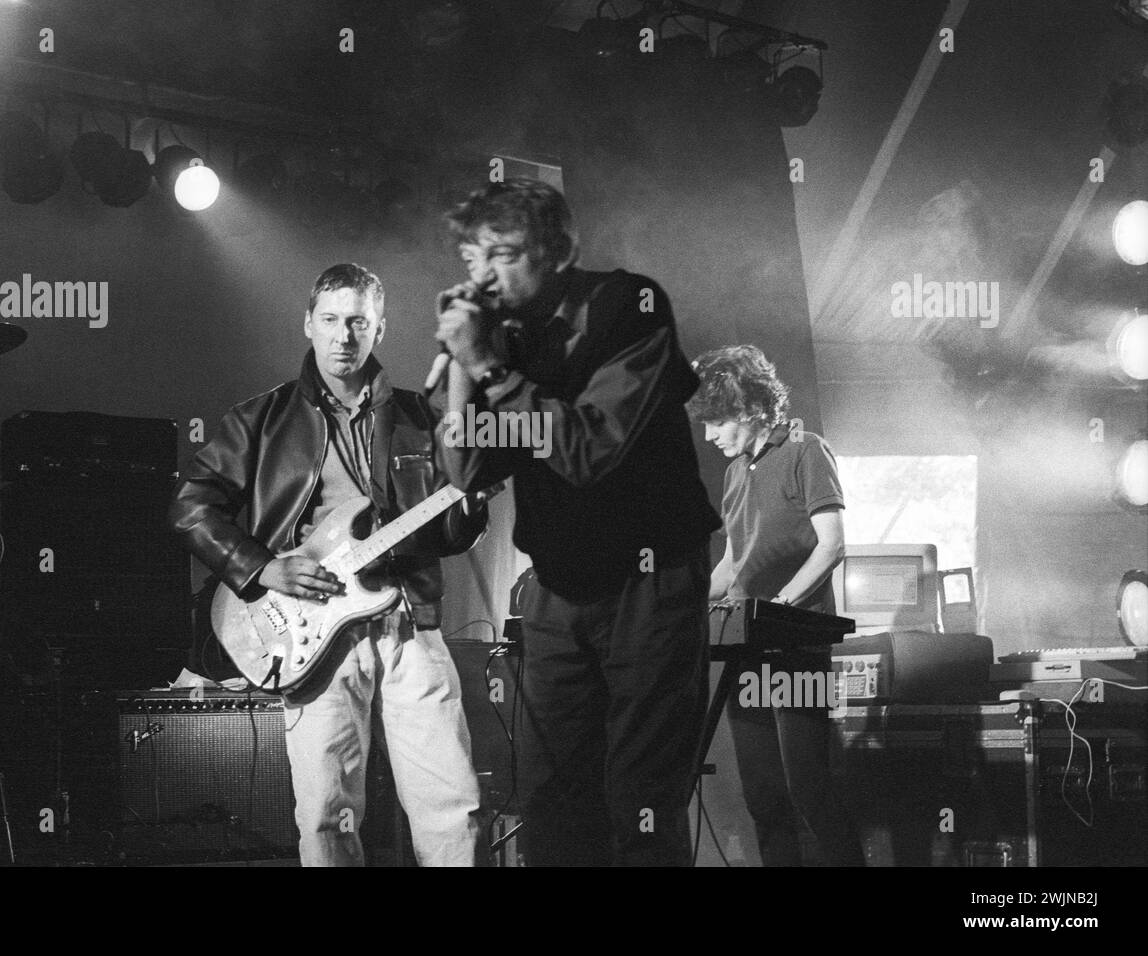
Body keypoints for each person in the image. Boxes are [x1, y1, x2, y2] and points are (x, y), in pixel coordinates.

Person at [433, 178, 721, 866]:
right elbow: (465, 476)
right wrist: (462, 376)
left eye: (503, 255)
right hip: (558, 586)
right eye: (474, 259)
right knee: (550, 798)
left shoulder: (631, 306)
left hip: (647, 579)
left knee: (639, 797)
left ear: (557, 251)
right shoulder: (500, 337)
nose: (484, 277)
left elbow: (589, 448)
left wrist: (489, 367)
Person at [169, 263, 488, 867]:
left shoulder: (421, 418)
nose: (345, 336)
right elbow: (189, 509)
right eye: (333, 320)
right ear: (308, 324)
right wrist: (262, 569)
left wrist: (468, 503)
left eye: (359, 322)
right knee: (325, 814)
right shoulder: (260, 419)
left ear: (380, 330)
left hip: (407, 622)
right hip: (311, 632)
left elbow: (448, 530)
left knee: (452, 803)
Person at [691, 344, 863, 866]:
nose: (709, 434)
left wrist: (781, 607)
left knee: (808, 788)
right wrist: (684, 605)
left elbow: (831, 545)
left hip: (794, 646)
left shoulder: (807, 451)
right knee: (763, 798)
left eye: (717, 421)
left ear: (748, 409)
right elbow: (732, 566)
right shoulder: (734, 473)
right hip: (748, 647)